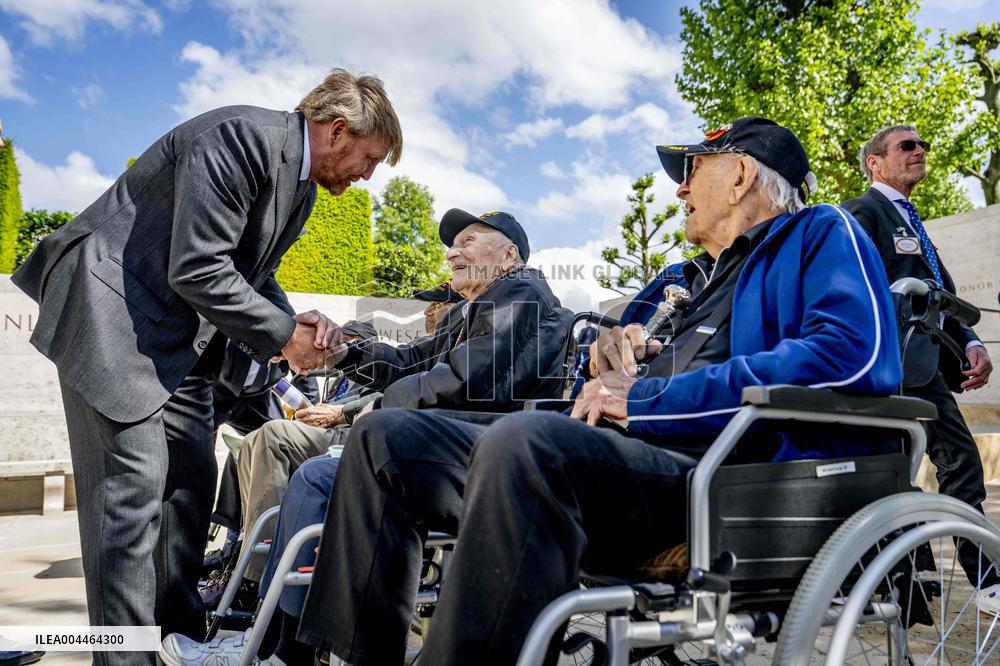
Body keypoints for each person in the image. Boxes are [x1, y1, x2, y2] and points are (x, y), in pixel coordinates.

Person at [293, 118, 903, 665]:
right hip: (627, 459)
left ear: (740, 174)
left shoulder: (820, 233)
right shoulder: (697, 278)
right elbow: (613, 363)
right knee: (385, 438)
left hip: (726, 484)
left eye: (693, 172)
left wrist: (645, 401)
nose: (681, 191)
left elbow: (852, 357)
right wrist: (617, 351)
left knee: (527, 441)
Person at [10, 69, 402, 664]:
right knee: (130, 498)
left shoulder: (300, 189)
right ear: (338, 129)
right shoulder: (240, 137)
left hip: (177, 341)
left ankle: (178, 639)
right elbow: (197, 267)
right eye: (369, 159)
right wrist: (282, 338)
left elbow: (253, 273)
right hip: (114, 314)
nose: (367, 175)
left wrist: (300, 321)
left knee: (190, 486)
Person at [158, 209, 574, 666]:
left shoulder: (521, 292)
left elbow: (468, 377)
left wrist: (384, 404)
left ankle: (282, 649)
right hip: (457, 445)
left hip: (485, 453)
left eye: (469, 241)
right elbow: (409, 361)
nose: (452, 251)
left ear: (510, 254)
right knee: (316, 475)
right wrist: (343, 354)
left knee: (318, 475)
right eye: (452, 244)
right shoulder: (479, 306)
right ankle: (279, 644)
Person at [843, 124, 997, 608]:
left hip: (925, 365)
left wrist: (970, 340)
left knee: (959, 465)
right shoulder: (859, 213)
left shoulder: (910, 220)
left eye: (922, 144)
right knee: (896, 473)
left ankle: (981, 579)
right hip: (887, 368)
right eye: (906, 146)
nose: (919, 151)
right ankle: (913, 586)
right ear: (875, 162)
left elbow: (939, 290)